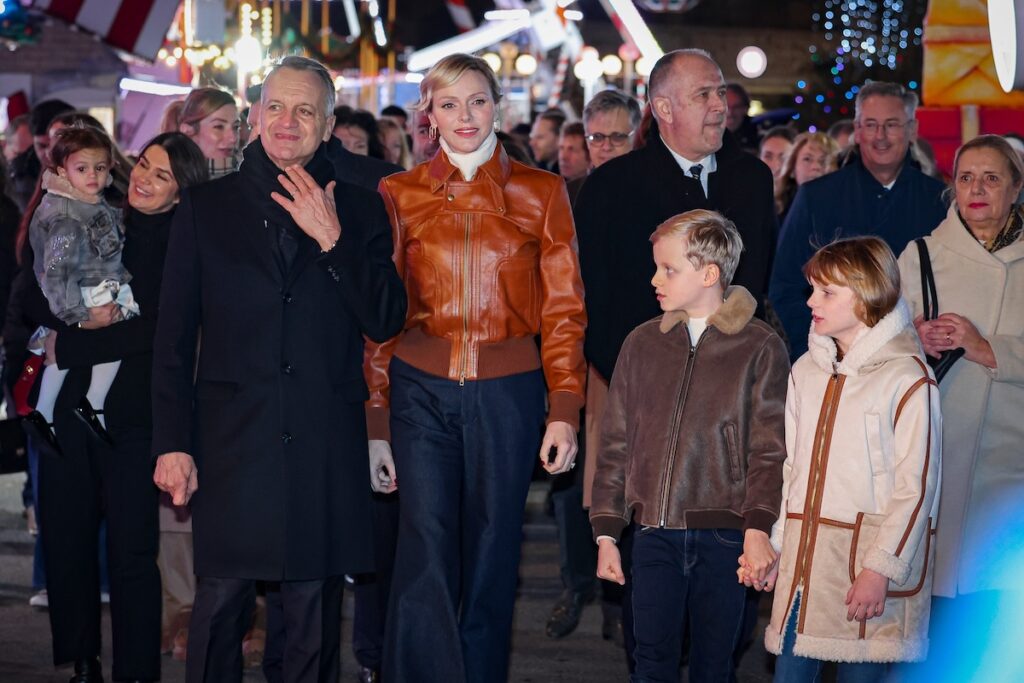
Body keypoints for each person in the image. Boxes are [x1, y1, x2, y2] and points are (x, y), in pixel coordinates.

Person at [150, 55, 406, 683]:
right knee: (220, 605)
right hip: (232, 439)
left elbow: (385, 319)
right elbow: (174, 339)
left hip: (322, 437)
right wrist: (172, 445)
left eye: (304, 111)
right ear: (255, 116)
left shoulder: (365, 208)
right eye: (275, 107)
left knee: (313, 614)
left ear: (327, 126)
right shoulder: (205, 207)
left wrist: (333, 241)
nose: (287, 122)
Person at [368, 53, 586, 683]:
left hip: (509, 397)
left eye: (477, 101)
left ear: (499, 106)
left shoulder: (543, 193)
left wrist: (565, 409)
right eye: (448, 103)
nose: (465, 116)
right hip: (419, 393)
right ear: (429, 116)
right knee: (424, 556)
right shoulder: (399, 194)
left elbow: (565, 310)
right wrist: (376, 416)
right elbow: (382, 317)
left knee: (493, 559)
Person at [36, 132, 207, 683]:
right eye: (143, 166)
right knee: (67, 539)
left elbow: (159, 331)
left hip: (136, 417)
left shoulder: (187, 244)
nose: (144, 179)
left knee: (133, 551)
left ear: (182, 191)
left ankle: (137, 670)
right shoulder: (95, 217)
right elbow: (40, 290)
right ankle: (83, 660)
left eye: (161, 175)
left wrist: (73, 342)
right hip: (69, 408)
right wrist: (49, 336)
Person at [591, 209, 789, 681]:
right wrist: (605, 532)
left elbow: (770, 449)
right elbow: (616, 441)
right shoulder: (641, 343)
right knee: (650, 660)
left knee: (713, 664)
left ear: (709, 273)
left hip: (726, 537)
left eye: (668, 268)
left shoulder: (759, 347)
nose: (654, 278)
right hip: (653, 531)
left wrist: (758, 528)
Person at [756, 237, 941, 681]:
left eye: (827, 292)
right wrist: (779, 544)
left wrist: (880, 569)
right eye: (813, 289)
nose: (811, 301)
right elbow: (793, 469)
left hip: (866, 570)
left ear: (866, 298)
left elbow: (917, 488)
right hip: (805, 572)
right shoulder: (805, 371)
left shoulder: (909, 378)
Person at [896, 135, 1024, 676]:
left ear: (1016, 189)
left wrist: (985, 347)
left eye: (992, 178)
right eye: (967, 177)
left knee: (996, 602)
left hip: (1010, 454)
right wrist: (915, 337)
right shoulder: (921, 253)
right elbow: (879, 347)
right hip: (936, 447)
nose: (976, 189)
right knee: (932, 599)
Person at [575, 48, 777, 383]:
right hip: (646, 380)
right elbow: (590, 294)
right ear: (664, 108)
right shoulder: (611, 186)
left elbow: (760, 278)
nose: (719, 106)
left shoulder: (753, 179)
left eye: (721, 93)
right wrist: (634, 375)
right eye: (703, 95)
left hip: (738, 377)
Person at [546, 87, 641, 645]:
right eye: (596, 137)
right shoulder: (567, 195)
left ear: (636, 135)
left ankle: (619, 596)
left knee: (626, 478)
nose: (605, 147)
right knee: (569, 479)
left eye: (616, 137)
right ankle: (576, 583)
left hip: (632, 354)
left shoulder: (651, 192)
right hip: (575, 356)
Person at [769, 81, 946, 361]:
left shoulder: (940, 202)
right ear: (857, 130)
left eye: (891, 125)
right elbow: (785, 285)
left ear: (912, 130)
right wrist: (824, 350)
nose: (881, 136)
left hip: (915, 359)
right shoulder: (816, 197)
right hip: (829, 361)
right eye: (871, 124)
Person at [24, 125, 136, 450]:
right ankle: (90, 402)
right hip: (84, 290)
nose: (93, 176)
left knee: (63, 356)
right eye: (82, 168)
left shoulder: (84, 201)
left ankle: (47, 411)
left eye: (100, 168)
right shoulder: (67, 214)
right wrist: (77, 315)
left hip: (90, 285)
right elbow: (55, 270)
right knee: (114, 338)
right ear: (62, 170)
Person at [167, 87, 240, 179]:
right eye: (218, 127)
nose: (233, 138)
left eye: (236, 127)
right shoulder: (171, 180)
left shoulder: (250, 174)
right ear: (188, 131)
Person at [775, 131, 840, 223]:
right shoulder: (775, 211)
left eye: (823, 161)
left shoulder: (845, 209)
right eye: (807, 159)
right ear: (792, 168)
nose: (816, 167)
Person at [758, 126, 796, 216]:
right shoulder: (745, 195)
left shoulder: (799, 200)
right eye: (768, 156)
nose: (775, 165)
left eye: (783, 158)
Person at [726, 82, 760, 152]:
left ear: (746, 109)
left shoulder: (758, 134)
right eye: (726, 106)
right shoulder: (705, 133)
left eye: (736, 107)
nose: (730, 113)